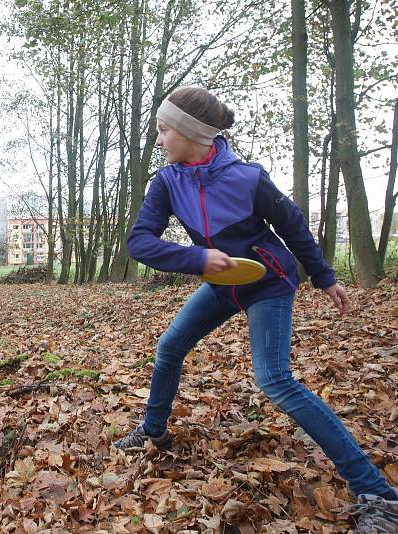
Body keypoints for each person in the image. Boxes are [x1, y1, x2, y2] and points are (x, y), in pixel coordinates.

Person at [112, 86, 398, 532]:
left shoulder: (248, 177)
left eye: (164, 130)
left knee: (274, 379)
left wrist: (325, 278)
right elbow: (139, 242)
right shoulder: (166, 181)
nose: (159, 139)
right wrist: (197, 258)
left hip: (269, 282)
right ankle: (153, 430)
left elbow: (293, 226)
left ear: (193, 134)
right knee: (169, 348)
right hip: (221, 283)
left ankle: (377, 492)